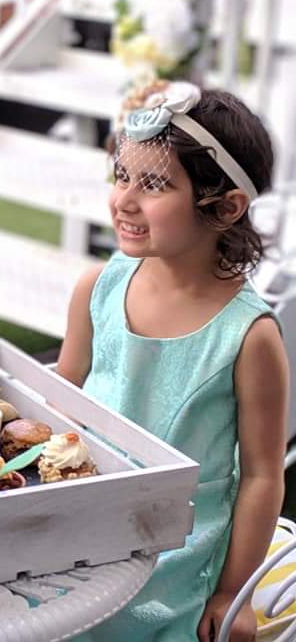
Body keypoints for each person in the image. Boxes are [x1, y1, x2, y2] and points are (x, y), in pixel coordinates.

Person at [58, 81, 288, 641]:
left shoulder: (249, 336)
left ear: (225, 205)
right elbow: (57, 403)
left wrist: (234, 591)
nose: (125, 200)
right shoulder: (98, 288)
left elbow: (260, 475)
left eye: (154, 184)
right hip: (85, 521)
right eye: (122, 176)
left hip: (179, 552)